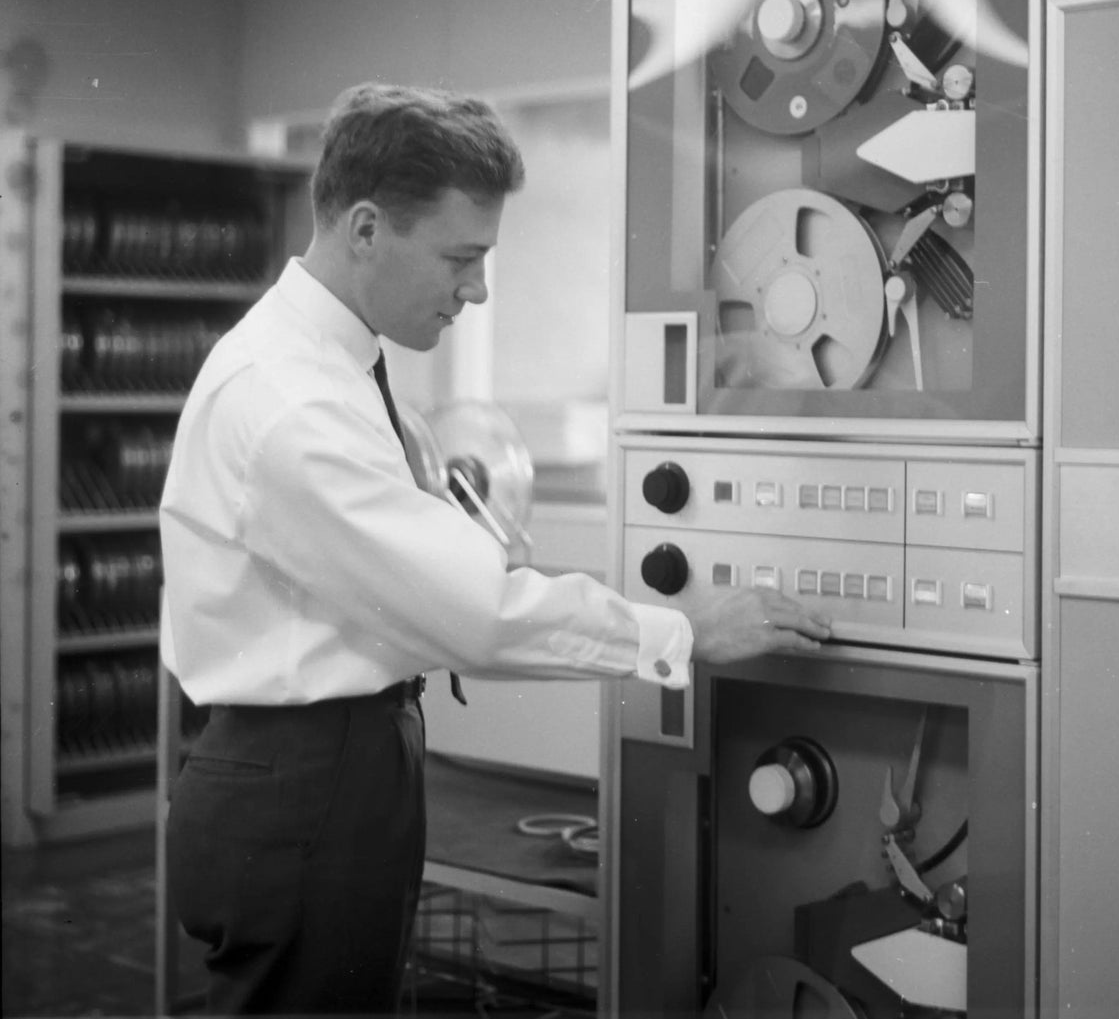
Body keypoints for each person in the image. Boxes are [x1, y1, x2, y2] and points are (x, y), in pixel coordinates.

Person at [159, 82, 831, 1015]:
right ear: (364, 229)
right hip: (304, 786)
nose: (477, 289)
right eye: (461, 257)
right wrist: (676, 629)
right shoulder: (292, 401)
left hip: (321, 773)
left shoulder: (334, 372)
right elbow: (473, 614)